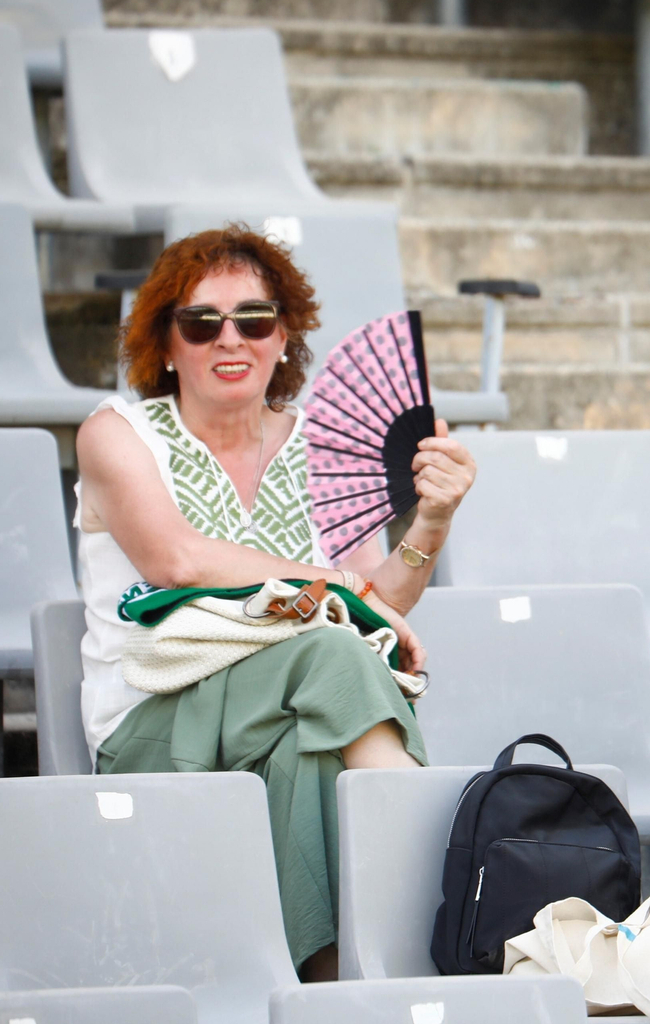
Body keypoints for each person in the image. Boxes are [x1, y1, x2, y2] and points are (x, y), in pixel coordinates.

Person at [74, 226, 476, 981]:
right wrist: (336, 588)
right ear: (165, 343)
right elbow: (177, 558)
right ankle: (431, 931)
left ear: (282, 336)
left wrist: (431, 522)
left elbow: (380, 601)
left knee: (312, 744)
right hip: (156, 718)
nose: (231, 340)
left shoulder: (319, 447)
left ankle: (327, 984)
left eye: (254, 320)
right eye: (201, 323)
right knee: (332, 650)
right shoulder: (116, 433)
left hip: (292, 713)